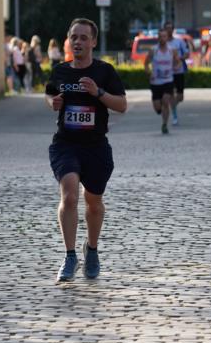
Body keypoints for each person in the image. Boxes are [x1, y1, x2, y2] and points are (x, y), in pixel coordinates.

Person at [45, 18, 126, 283]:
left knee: (93, 203)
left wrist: (98, 92)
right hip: (65, 143)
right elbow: (49, 94)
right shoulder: (60, 71)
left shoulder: (105, 71)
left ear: (93, 41)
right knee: (69, 196)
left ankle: (91, 249)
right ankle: (70, 256)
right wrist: (52, 102)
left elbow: (122, 105)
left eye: (83, 37)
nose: (77, 42)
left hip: (96, 146)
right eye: (73, 37)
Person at [144, 28, 178, 134]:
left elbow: (177, 62)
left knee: (165, 101)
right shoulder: (153, 50)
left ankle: (164, 124)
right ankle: (159, 111)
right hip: (156, 82)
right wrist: (149, 73)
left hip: (168, 80)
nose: (162, 38)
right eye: (160, 36)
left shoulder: (172, 50)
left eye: (164, 36)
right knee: (158, 107)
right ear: (158, 38)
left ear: (167, 37)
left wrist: (175, 67)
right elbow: (146, 64)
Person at [163, 20, 188, 126]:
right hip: (168, 72)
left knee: (180, 96)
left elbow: (187, 54)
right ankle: (174, 115)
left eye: (171, 28)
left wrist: (178, 58)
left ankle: (172, 106)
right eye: (167, 28)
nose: (169, 30)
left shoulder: (179, 41)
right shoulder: (163, 43)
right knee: (171, 94)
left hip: (179, 71)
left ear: (173, 30)